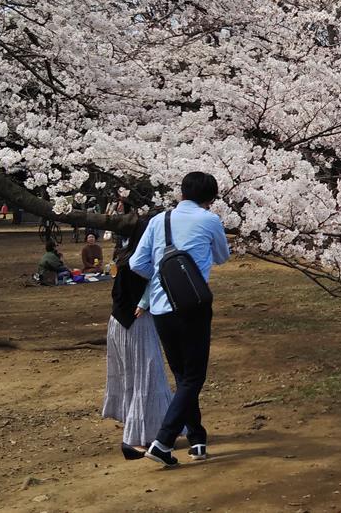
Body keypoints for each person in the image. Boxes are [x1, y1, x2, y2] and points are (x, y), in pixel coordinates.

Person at [130, 172, 230, 467]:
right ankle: (163, 442)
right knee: (194, 376)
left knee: (183, 376)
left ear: (182, 192)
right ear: (210, 198)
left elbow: (137, 263)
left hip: (161, 309)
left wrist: (162, 277)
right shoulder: (209, 220)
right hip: (193, 306)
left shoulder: (158, 220)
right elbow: (222, 257)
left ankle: (197, 439)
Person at [102, 218, 175, 460]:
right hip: (137, 323)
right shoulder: (144, 260)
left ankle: (146, 433)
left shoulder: (125, 256)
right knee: (148, 376)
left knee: (134, 377)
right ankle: (134, 439)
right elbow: (154, 284)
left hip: (118, 322)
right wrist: (145, 302)